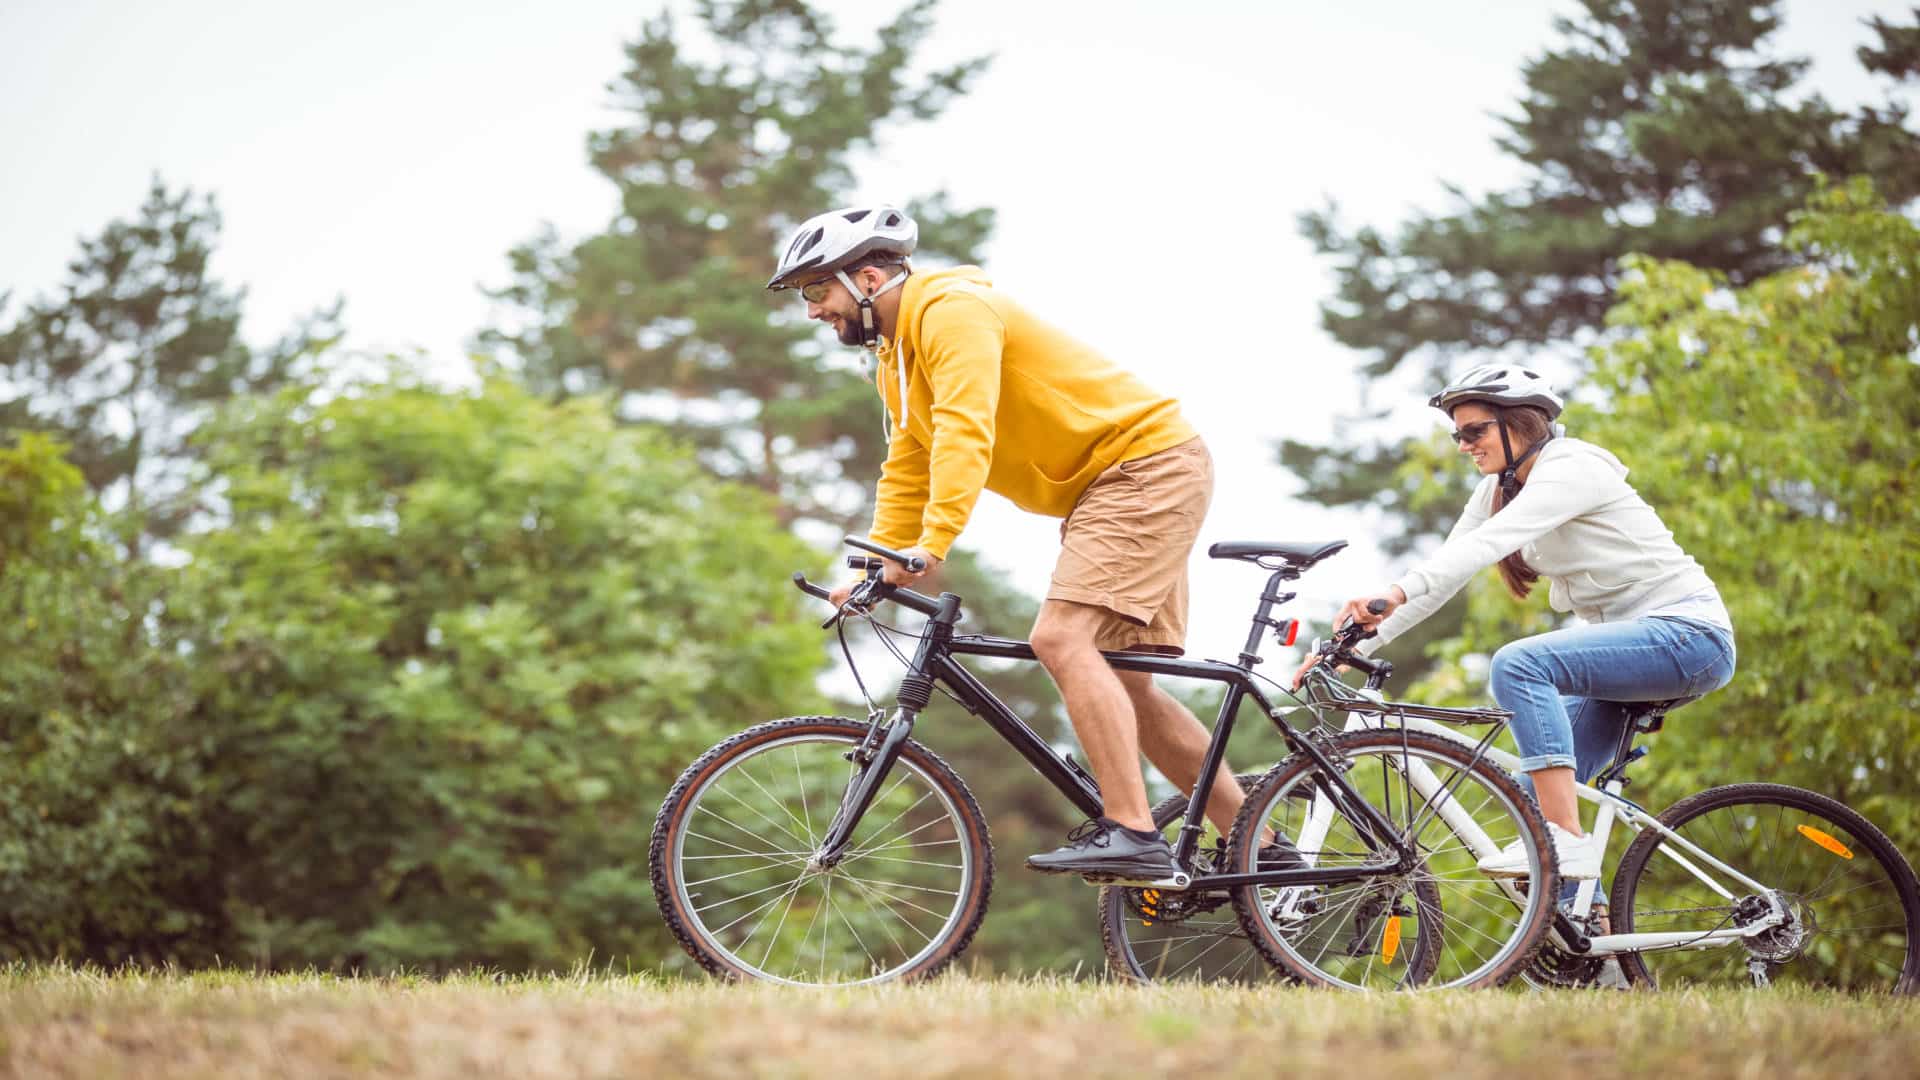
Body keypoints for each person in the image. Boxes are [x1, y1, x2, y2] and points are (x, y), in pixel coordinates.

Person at [766, 205, 1250, 882]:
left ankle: (1134, 832)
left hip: (1143, 467)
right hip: (1112, 484)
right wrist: (881, 561)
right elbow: (909, 463)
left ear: (869, 276)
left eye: (817, 290)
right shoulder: (895, 361)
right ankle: (1261, 846)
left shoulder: (951, 312)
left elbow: (967, 432)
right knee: (1127, 682)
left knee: (1060, 640)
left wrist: (932, 545)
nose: (812, 311)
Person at [1297, 365, 1736, 881]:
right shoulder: (1496, 491)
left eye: (1473, 431)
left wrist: (1393, 592)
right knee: (1535, 791)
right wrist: (1351, 647)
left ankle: (1564, 841)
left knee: (1520, 665)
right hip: (1634, 653)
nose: (1463, 445)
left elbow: (1486, 546)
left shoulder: (1572, 467)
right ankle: (1590, 944)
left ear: (1521, 423)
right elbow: (1446, 570)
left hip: (1690, 637)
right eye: (1456, 434)